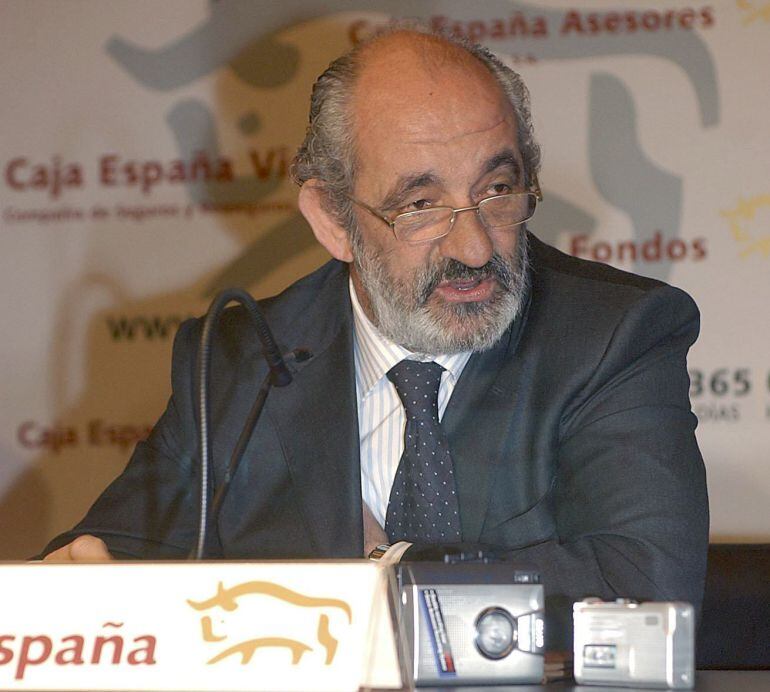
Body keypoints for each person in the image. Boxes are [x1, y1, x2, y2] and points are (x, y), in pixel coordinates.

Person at [41, 26, 708, 650]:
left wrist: (385, 573)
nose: (476, 246)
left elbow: (647, 595)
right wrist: (64, 591)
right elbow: (104, 562)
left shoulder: (612, 334)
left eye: (497, 189)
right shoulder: (240, 360)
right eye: (420, 205)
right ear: (333, 219)